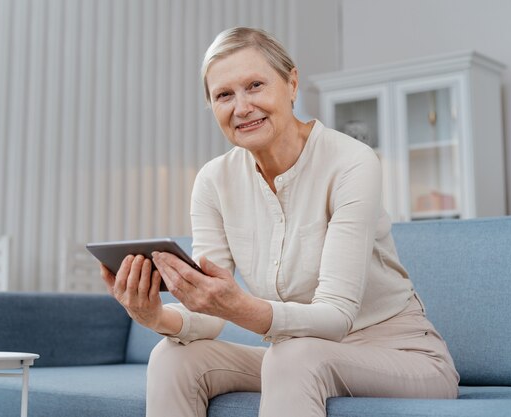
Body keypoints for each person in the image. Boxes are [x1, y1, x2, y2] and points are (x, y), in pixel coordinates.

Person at [101, 27, 460, 417]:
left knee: (291, 356)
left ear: (291, 83)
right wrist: (154, 316)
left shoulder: (351, 162)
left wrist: (239, 307)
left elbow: (337, 316)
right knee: (172, 358)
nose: (241, 107)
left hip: (402, 356)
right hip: (299, 353)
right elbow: (206, 317)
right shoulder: (213, 181)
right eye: (224, 95)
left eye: (255, 85)